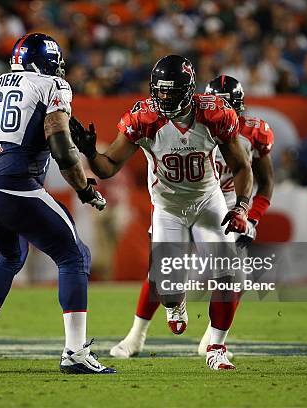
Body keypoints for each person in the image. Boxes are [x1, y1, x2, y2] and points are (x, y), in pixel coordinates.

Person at [70, 55, 253, 370]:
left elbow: (240, 165)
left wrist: (242, 205)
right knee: (165, 288)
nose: (165, 97)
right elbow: (109, 165)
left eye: (171, 90)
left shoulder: (214, 114)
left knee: (225, 273)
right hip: (168, 207)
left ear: (187, 89)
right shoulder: (143, 118)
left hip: (208, 200)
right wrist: (90, 152)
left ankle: (216, 348)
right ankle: (175, 301)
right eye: (160, 90)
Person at [0, 33, 115, 374]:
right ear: (46, 62)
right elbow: (61, 148)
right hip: (14, 184)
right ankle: (75, 352)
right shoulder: (51, 86)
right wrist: (85, 188)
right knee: (74, 255)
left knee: (10, 255)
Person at [108, 74, 275, 362]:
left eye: (230, 108)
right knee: (162, 273)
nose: (226, 114)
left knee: (234, 277)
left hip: (228, 203)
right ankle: (136, 336)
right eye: (220, 107)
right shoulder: (195, 121)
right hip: (180, 200)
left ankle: (213, 342)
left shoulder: (250, 132)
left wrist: (251, 216)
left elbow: (264, 182)